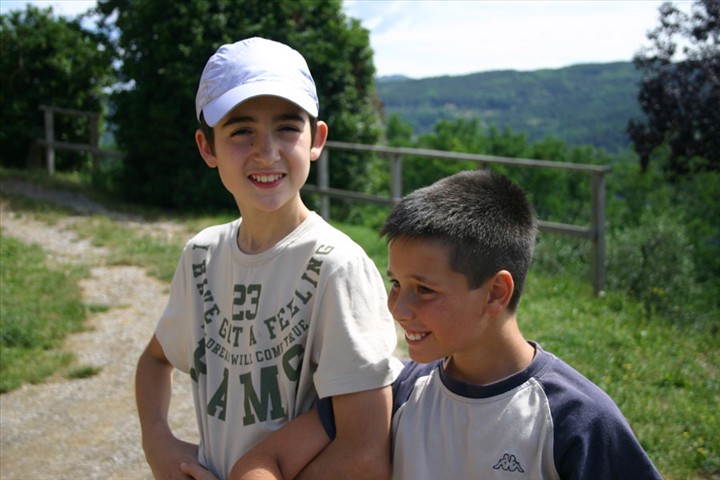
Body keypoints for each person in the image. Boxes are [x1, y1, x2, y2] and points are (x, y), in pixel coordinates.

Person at [213, 169, 663, 480]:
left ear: (496, 292)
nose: (399, 308)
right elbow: (264, 461)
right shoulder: (397, 393)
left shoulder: (575, 420)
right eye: (396, 283)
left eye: (424, 290)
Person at [135, 36, 402, 480]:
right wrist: (158, 444)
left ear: (316, 139)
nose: (267, 151)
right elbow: (154, 360)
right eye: (241, 131)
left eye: (287, 128)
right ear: (207, 147)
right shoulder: (201, 256)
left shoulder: (337, 267)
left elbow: (365, 453)